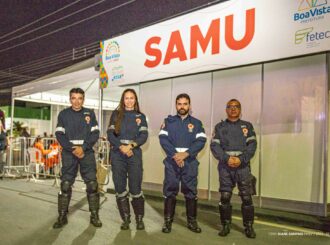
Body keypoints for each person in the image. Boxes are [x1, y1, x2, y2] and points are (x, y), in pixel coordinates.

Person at [53, 88, 102, 229]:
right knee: (65, 184)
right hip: (69, 152)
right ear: (70, 99)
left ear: (83, 99)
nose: (76, 101)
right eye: (74, 98)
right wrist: (72, 148)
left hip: (86, 152)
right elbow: (59, 134)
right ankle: (62, 216)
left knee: (92, 184)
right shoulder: (63, 114)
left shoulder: (90, 113)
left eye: (79, 98)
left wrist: (84, 147)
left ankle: (94, 216)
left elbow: (95, 133)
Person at [159, 93, 206, 233]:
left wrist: (186, 154)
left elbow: (201, 141)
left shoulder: (197, 123)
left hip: (189, 162)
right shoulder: (168, 122)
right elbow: (163, 139)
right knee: (169, 191)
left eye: (185, 104)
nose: (182, 106)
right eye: (179, 104)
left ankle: (192, 222)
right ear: (176, 105)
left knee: (191, 192)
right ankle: (167, 222)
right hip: (172, 162)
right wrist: (175, 155)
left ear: (189, 105)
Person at [210, 99, 257, 238]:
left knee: (247, 198)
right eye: (230, 107)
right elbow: (214, 146)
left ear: (240, 109)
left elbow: (252, 146)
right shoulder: (220, 127)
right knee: (225, 197)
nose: (233, 109)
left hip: (243, 167)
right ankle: (225, 225)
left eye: (236, 107)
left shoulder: (247, 126)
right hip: (225, 167)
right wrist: (227, 159)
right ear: (226, 110)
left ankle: (248, 227)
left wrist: (241, 159)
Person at [107, 88, 148, 230]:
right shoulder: (116, 114)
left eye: (132, 98)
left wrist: (130, 146)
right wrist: (121, 147)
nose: (129, 100)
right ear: (122, 100)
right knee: (119, 186)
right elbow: (110, 135)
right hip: (118, 153)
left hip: (134, 153)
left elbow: (143, 136)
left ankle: (139, 219)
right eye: (126, 98)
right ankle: (125, 219)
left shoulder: (140, 116)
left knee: (135, 187)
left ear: (135, 100)